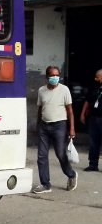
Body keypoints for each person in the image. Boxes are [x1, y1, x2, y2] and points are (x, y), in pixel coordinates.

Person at [32, 65, 78, 193]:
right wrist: (37, 125)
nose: (55, 78)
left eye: (57, 75)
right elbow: (40, 109)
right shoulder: (41, 90)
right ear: (47, 77)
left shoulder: (64, 90)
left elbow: (70, 111)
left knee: (60, 154)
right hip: (44, 126)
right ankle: (45, 184)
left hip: (59, 126)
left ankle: (71, 174)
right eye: (52, 76)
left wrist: (72, 129)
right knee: (41, 156)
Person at [80, 68, 102, 172]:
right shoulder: (94, 87)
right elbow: (87, 101)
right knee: (93, 142)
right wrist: (82, 114)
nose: (95, 78)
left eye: (97, 77)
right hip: (94, 118)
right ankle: (93, 164)